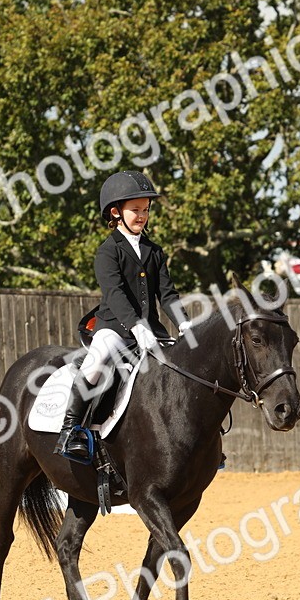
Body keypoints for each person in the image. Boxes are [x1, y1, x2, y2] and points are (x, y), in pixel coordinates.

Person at [55, 170, 190, 460]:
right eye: (135, 210)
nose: (142, 216)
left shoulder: (155, 251)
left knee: (184, 369)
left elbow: (167, 294)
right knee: (96, 361)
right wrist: (136, 326)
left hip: (152, 330)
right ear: (116, 212)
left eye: (146, 210)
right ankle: (72, 430)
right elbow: (114, 294)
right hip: (114, 327)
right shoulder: (108, 251)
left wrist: (184, 322)